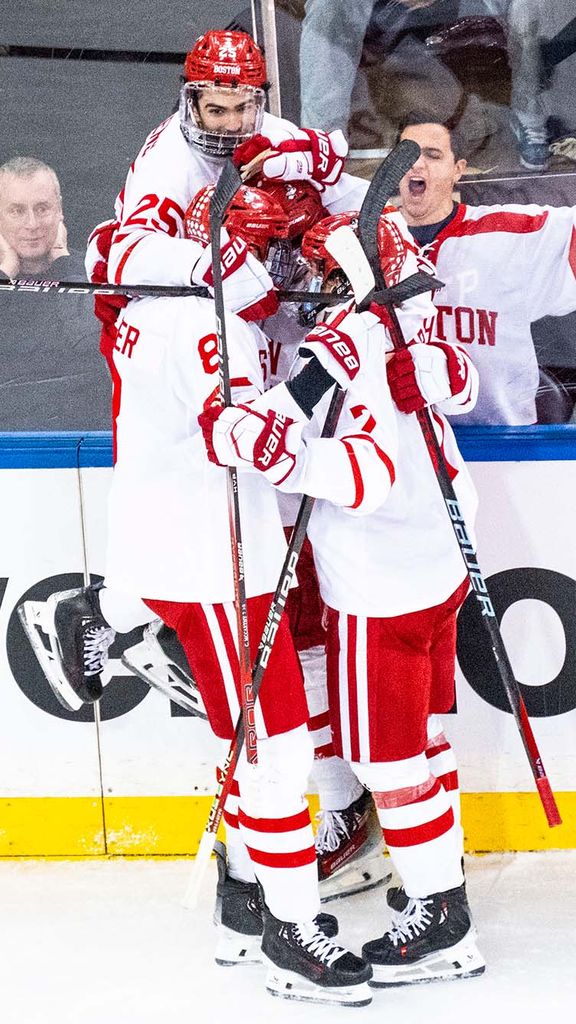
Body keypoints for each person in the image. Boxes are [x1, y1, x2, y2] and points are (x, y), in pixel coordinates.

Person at [19, 179, 387, 905]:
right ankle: (256, 887)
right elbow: (242, 436)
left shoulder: (153, 302)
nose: (278, 275)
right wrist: (329, 363)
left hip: (178, 510)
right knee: (266, 727)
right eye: (263, 254)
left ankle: (104, 611)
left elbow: (107, 250)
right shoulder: (208, 326)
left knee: (261, 696)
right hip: (218, 527)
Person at [200, 203, 486, 986]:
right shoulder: (413, 327)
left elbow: (368, 473)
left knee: (387, 762)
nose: (314, 287)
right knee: (420, 747)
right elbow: (455, 386)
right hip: (434, 577)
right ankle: (440, 891)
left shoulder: (358, 345)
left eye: (325, 272)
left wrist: (272, 457)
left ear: (351, 276)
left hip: (382, 593)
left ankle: (445, 921)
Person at [394, 111, 576, 425]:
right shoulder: (361, 240)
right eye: (406, 154)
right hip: (399, 452)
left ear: (458, 170)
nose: (416, 164)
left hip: (500, 452)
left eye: (432, 155)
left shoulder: (511, 234)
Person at [0, 157, 108, 429]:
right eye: (16, 211)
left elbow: (91, 345)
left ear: (60, 210)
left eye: (42, 208)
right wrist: (4, 276)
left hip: (85, 445)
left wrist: (63, 264)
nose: (32, 224)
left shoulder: (96, 271)